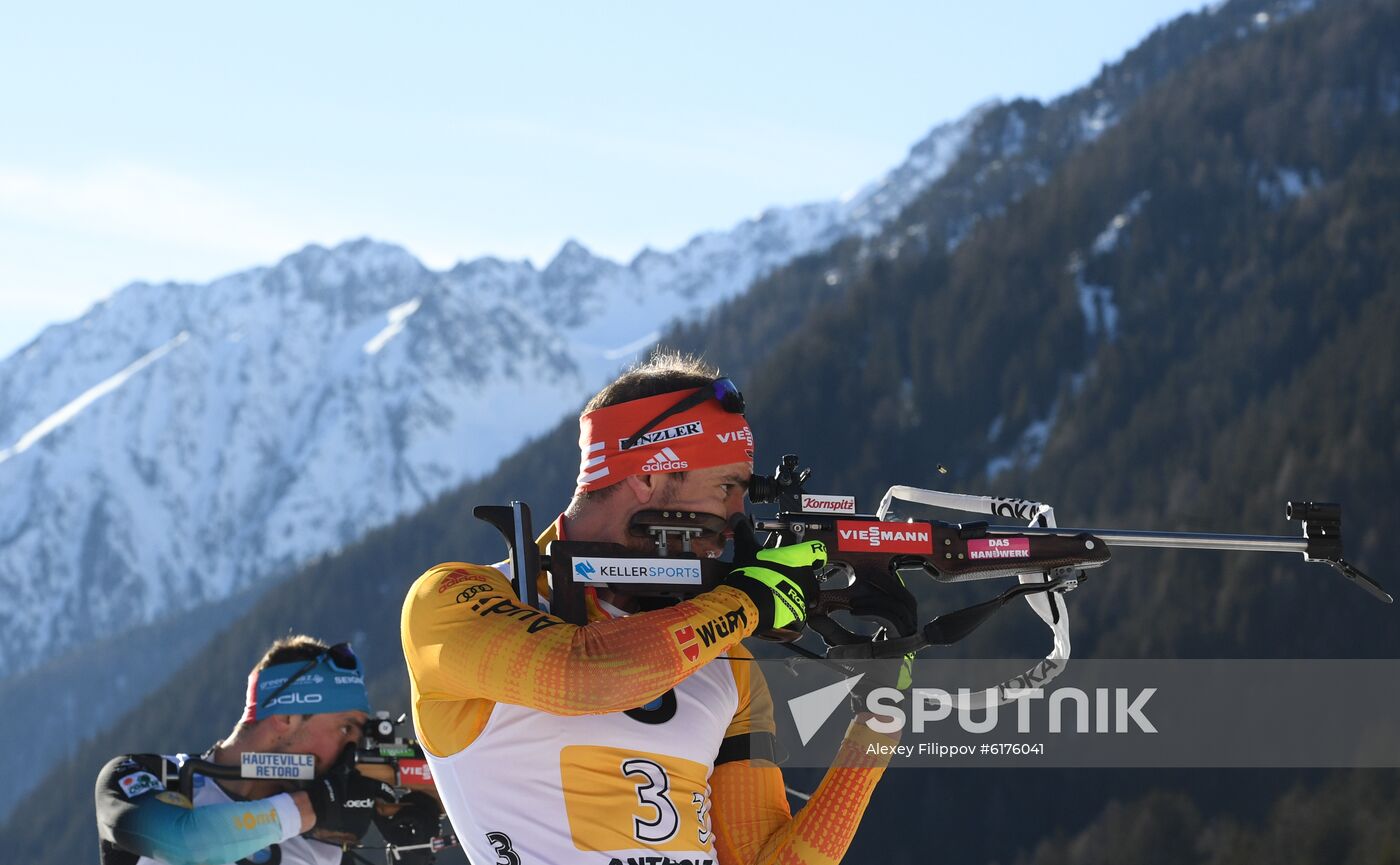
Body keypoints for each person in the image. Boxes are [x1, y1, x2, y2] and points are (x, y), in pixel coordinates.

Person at [402, 352, 903, 865]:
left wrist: (875, 728)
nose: (738, 518)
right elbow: (584, 676)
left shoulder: (726, 660)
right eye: (726, 486)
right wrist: (749, 601)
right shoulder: (452, 598)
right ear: (649, 476)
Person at [95, 636, 396, 865]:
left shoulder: (325, 841)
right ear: (286, 718)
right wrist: (311, 807)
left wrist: (413, 848)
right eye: (345, 728)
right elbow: (186, 842)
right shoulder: (151, 775)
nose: (352, 750)